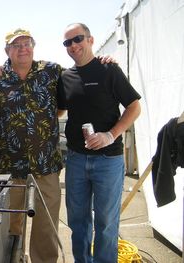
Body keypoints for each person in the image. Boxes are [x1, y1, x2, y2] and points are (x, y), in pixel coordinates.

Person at [57, 23, 141, 263]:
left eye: (78, 39)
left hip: (108, 160)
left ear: (90, 40)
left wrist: (110, 135)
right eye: (67, 42)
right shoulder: (65, 77)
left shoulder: (109, 70)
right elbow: (60, 111)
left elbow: (134, 107)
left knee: (105, 223)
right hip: (75, 159)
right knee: (78, 221)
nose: (73, 45)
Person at [0, 28, 63, 263]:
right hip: (9, 165)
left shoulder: (51, 71)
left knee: (47, 223)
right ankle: (13, 260)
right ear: (7, 50)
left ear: (33, 47)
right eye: (16, 45)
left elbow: (65, 101)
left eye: (27, 43)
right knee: (10, 224)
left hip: (46, 163)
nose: (23, 48)